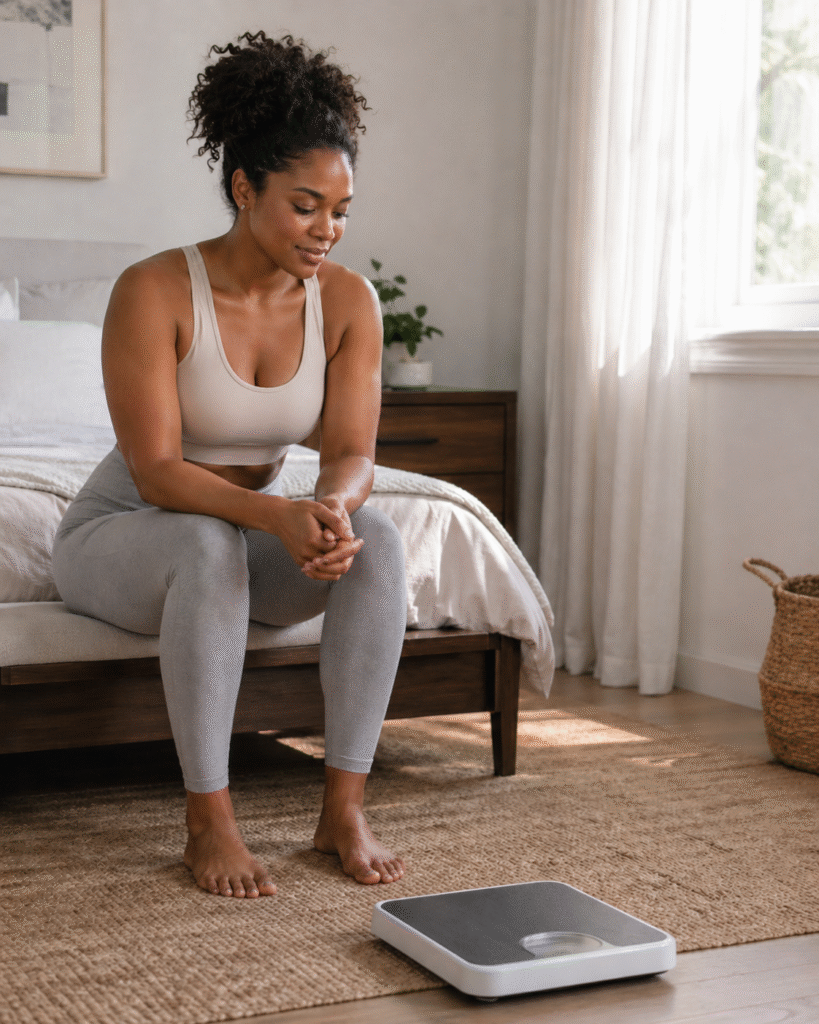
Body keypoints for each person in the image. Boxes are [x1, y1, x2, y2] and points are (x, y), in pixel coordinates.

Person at [51, 32, 407, 898]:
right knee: (206, 548)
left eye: (342, 208)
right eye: (304, 204)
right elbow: (157, 472)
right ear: (244, 189)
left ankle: (342, 810)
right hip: (126, 535)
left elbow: (352, 450)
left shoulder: (349, 301)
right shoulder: (155, 289)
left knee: (380, 539)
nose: (327, 229)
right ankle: (208, 821)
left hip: (249, 529)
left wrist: (326, 508)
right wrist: (277, 517)